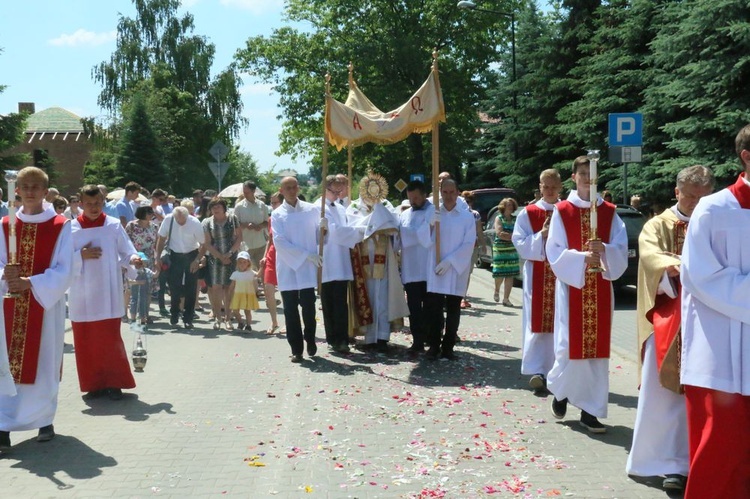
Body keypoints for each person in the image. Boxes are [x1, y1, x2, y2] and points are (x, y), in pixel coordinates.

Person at [625, 165, 714, 491]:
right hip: (668, 319)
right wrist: (672, 266)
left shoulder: (715, 221)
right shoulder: (658, 224)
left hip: (710, 320)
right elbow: (650, 255)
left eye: (702, 197)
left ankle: (696, 459)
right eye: (690, 196)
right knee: (664, 395)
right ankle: (665, 462)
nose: (695, 203)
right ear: (677, 192)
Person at [679, 125, 750, 498]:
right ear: (746, 157)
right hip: (722, 361)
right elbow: (699, 276)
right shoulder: (713, 208)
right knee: (721, 453)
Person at [545, 155, 628, 433]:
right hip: (573, 287)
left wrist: (604, 249)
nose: (587, 181)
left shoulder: (609, 211)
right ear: (574, 178)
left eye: (592, 176)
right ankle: (561, 391)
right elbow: (554, 251)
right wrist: (582, 258)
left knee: (597, 354)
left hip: (601, 286)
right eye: (582, 176)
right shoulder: (562, 210)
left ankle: (590, 411)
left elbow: (620, 247)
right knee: (568, 347)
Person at [0, 166, 73, 449]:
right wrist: (6, 278)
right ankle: (4, 424)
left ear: (45, 192)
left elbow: (66, 269)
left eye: (35, 187)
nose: (29, 191)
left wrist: (31, 282)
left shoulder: (60, 226)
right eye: (24, 186)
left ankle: (44, 419)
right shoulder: (5, 225)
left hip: (44, 304)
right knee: (5, 363)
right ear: (16, 190)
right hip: (8, 304)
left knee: (44, 361)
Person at [69, 185, 141, 400]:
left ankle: (114, 383)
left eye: (97, 203)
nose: (93, 207)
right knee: (85, 340)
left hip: (108, 291)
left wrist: (134, 259)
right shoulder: (69, 228)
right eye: (88, 204)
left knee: (110, 339)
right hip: (81, 293)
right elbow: (59, 260)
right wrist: (80, 255)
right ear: (80, 204)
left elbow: (126, 251)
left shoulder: (113, 225)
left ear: (103, 203)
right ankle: (93, 384)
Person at [512, 168, 562, 394]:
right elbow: (519, 242)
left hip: (562, 275)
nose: (550, 191)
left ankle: (556, 371)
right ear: (540, 187)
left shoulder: (566, 210)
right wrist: (539, 235)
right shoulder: (528, 212)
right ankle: (537, 370)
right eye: (546, 187)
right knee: (537, 322)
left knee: (560, 323)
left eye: (553, 187)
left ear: (560, 187)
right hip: (538, 273)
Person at [347, 173, 408, 354]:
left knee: (382, 296)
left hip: (383, 258)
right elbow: (352, 229)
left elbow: (394, 226)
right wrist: (374, 223)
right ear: (363, 189)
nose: (372, 192)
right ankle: (369, 336)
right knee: (367, 295)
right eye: (369, 188)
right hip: (363, 257)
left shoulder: (386, 206)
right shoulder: (354, 207)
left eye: (376, 188)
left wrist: (379, 217)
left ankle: (382, 336)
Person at [423, 179, 476, 361]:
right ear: (440, 193)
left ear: (458, 192)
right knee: (435, 310)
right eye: (445, 192)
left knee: (453, 310)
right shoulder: (434, 212)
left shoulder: (466, 216)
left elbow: (469, 243)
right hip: (437, 267)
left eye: (452, 192)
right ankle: (434, 345)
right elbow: (424, 240)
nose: (448, 196)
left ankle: (448, 347)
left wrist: (450, 261)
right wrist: (429, 225)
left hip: (454, 269)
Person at [272, 177, 321, 363]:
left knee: (309, 307)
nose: (292, 191)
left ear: (298, 188)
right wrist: (305, 254)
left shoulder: (312, 209)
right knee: (290, 310)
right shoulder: (277, 214)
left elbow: (318, 237)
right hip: (287, 267)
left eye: (294, 187)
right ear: (281, 190)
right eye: (288, 188)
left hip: (307, 268)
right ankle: (296, 349)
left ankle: (310, 338)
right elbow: (279, 241)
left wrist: (324, 230)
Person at [319, 175, 363, 354]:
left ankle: (342, 338)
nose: (338, 195)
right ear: (325, 189)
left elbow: (345, 226)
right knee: (329, 302)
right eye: (334, 191)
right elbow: (335, 232)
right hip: (328, 260)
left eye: (339, 191)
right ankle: (333, 339)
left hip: (341, 260)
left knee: (340, 303)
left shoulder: (339, 207)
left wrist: (359, 228)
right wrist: (358, 232)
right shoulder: (319, 208)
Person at [398, 180, 434, 356]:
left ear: (424, 195)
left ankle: (432, 339)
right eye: (410, 198)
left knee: (430, 307)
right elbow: (401, 237)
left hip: (427, 267)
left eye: (416, 197)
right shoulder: (404, 215)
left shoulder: (433, 212)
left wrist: (405, 234)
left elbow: (424, 236)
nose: (413, 201)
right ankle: (417, 340)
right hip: (410, 268)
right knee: (413, 307)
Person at [155, 206, 205, 329]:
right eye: (178, 220)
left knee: (191, 287)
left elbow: (204, 244)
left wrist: (197, 260)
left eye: (183, 220)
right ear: (174, 217)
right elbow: (161, 239)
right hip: (174, 255)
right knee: (174, 286)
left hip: (191, 254)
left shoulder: (195, 223)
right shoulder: (168, 219)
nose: (181, 222)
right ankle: (174, 313)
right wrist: (157, 257)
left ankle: (188, 317)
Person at [202, 197, 242, 330]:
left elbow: (239, 238)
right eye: (213, 207)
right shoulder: (207, 222)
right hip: (215, 258)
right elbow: (207, 243)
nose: (215, 209)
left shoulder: (233, 218)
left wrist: (229, 254)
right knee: (216, 288)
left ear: (224, 207)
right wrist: (219, 256)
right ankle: (218, 317)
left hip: (231, 256)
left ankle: (228, 318)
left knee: (229, 288)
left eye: (218, 206)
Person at [126, 206, 159, 322]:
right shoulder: (131, 225)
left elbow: (157, 244)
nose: (151, 215)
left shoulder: (154, 226)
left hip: (149, 259)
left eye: (152, 212)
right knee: (132, 287)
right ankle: (129, 314)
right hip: (134, 258)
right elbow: (126, 242)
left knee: (147, 288)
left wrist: (157, 259)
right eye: (148, 212)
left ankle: (145, 314)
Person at [259, 192, 283, 335]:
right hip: (272, 254)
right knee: (268, 289)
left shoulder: (288, 217)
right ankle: (274, 321)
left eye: (275, 203)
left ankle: (289, 322)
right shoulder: (271, 218)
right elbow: (270, 239)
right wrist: (264, 255)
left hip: (284, 255)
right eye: (271, 203)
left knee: (287, 291)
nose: (272, 206)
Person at [234, 181, 269, 270]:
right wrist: (245, 225)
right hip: (245, 245)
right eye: (244, 192)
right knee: (248, 272)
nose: (245, 194)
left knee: (262, 270)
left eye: (247, 192)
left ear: (253, 191)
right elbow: (234, 225)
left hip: (260, 244)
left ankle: (263, 284)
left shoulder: (262, 205)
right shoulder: (239, 207)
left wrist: (260, 226)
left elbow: (267, 222)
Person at [492, 197, 520, 306]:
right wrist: (514, 237)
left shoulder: (515, 219)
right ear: (503, 206)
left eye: (512, 205)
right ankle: (497, 290)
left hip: (512, 249)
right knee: (500, 272)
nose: (510, 207)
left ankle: (506, 299)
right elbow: (499, 233)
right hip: (500, 248)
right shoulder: (499, 218)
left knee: (510, 274)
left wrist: (512, 237)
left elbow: (519, 233)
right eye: (508, 205)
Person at [460, 190, 483, 309]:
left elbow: (479, 231)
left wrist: (483, 245)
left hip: (472, 247)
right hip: (458, 247)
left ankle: (463, 297)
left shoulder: (475, 214)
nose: (467, 203)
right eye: (464, 201)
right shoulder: (457, 212)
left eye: (469, 201)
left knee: (467, 273)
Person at [228, 251, 259, 331]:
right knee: (235, 311)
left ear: (248, 263)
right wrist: (229, 294)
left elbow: (258, 275)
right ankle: (241, 322)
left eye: (244, 262)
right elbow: (232, 286)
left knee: (247, 311)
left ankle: (248, 326)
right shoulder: (235, 273)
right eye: (240, 262)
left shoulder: (251, 273)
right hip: (237, 295)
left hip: (248, 294)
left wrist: (262, 266)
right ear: (237, 263)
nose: (242, 264)